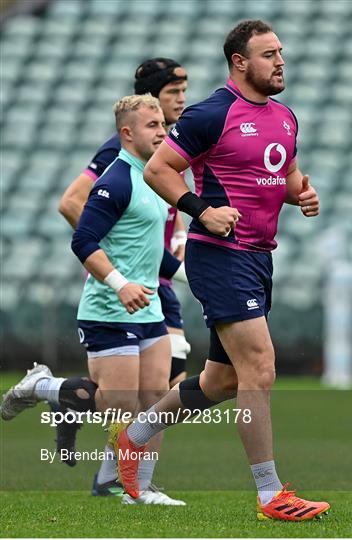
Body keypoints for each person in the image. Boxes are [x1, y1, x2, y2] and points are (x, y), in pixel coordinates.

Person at [109, 20, 330, 521]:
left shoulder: (285, 117)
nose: (280, 62)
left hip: (258, 257)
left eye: (281, 54)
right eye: (269, 54)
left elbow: (287, 177)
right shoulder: (212, 113)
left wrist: (302, 195)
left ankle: (134, 436)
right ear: (239, 62)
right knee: (261, 369)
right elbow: (158, 169)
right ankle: (271, 494)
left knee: (222, 381)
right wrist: (201, 210)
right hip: (219, 255)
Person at [1, 95, 186, 506]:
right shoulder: (115, 180)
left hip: (149, 306)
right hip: (109, 307)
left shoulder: (157, 178)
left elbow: (153, 251)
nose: (162, 131)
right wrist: (120, 283)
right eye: (153, 126)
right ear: (127, 133)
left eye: (163, 125)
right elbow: (83, 240)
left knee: (154, 400)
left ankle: (140, 490)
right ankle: (43, 386)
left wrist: (199, 276)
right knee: (116, 405)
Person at [55, 58, 192, 481]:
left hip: (156, 281)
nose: (183, 101)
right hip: (129, 284)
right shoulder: (119, 158)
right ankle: (62, 399)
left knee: (160, 388)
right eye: (174, 93)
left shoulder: (170, 149)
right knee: (138, 395)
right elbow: (72, 204)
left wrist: (184, 255)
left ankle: (126, 481)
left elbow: (169, 217)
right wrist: (118, 263)